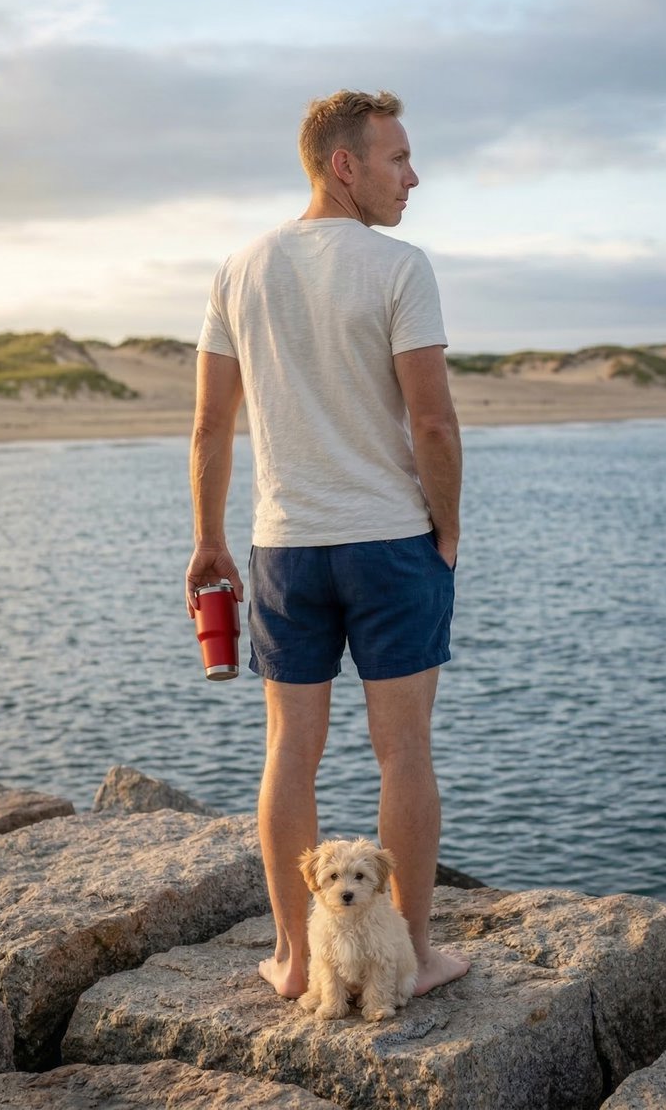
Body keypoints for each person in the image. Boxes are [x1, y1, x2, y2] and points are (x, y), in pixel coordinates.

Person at [186, 88, 469, 999]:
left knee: (287, 753)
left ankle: (298, 960)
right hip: (388, 541)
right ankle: (413, 958)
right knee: (404, 753)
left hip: (284, 547)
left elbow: (207, 428)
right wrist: (449, 527)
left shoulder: (239, 267)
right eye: (396, 159)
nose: (412, 176)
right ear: (343, 164)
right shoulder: (398, 266)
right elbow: (432, 423)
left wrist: (206, 541)